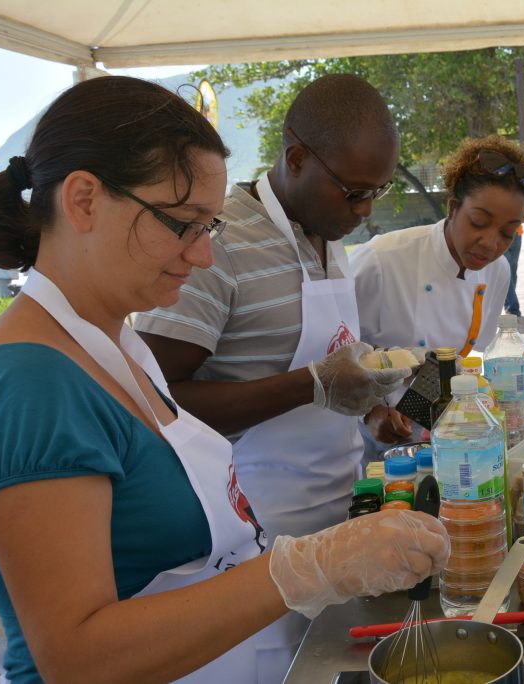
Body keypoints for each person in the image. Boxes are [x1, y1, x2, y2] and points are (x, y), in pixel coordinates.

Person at [0, 75, 449, 684]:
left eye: (207, 227)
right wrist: (309, 568)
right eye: (183, 223)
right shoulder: (33, 381)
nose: (203, 255)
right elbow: (76, 657)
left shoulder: (117, 344)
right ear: (83, 201)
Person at [134, 73, 410, 541]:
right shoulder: (217, 242)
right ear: (297, 159)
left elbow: (317, 351)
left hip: (341, 511)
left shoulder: (325, 229)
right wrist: (312, 385)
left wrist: (369, 409)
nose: (365, 211)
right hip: (255, 531)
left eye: (376, 192)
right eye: (355, 193)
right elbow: (152, 400)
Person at [351, 135, 524, 450]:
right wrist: (370, 412)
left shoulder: (497, 271)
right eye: (478, 222)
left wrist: (416, 415)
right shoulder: (381, 260)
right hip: (366, 451)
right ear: (453, 206)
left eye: (508, 233)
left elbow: (448, 360)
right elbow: (330, 358)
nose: (490, 244)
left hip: (443, 442)